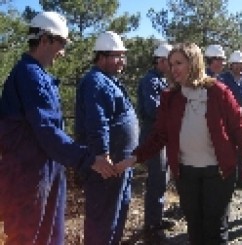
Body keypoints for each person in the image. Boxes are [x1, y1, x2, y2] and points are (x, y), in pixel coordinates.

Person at [116, 43, 242, 245]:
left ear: (194, 63)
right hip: (186, 173)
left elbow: (239, 127)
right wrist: (134, 157)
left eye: (179, 63)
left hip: (219, 172)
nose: (174, 69)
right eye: (171, 64)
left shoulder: (218, 92)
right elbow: (159, 135)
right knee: (195, 228)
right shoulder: (170, 98)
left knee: (214, 228)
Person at [0, 12, 115, 245]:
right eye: (61, 43)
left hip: (46, 169)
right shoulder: (28, 75)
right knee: (27, 237)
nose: (63, 52)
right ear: (45, 40)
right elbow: (47, 130)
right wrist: (88, 158)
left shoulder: (37, 75)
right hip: (28, 174)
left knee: (51, 235)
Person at [75, 31, 139, 244]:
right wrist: (102, 154)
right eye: (117, 56)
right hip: (107, 166)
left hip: (121, 165)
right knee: (103, 218)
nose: (123, 61)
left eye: (123, 55)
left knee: (117, 213)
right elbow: (97, 121)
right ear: (101, 57)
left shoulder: (109, 80)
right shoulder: (96, 82)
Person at [136, 43, 174, 240]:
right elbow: (153, 110)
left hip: (163, 136)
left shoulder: (162, 80)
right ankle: (152, 227)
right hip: (153, 137)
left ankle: (157, 218)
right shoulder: (150, 81)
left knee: (162, 179)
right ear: (160, 61)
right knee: (157, 180)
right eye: (170, 62)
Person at [219, 50, 242, 190]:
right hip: (229, 118)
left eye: (240, 64)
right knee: (230, 148)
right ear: (230, 65)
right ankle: (230, 178)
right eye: (235, 64)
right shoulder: (223, 79)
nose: (238, 67)